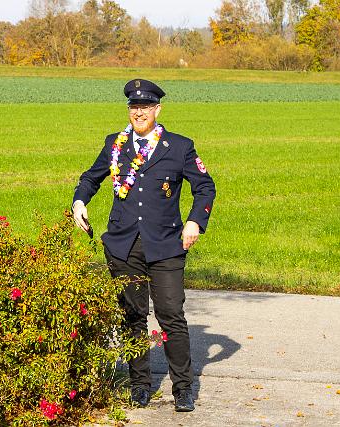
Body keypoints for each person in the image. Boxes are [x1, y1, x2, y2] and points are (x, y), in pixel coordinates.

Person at [72, 79, 216, 412]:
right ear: (129, 111)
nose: (139, 112)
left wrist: (195, 221)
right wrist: (80, 201)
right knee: (133, 316)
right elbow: (91, 178)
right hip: (123, 245)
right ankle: (140, 385)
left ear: (157, 110)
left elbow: (205, 188)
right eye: (134, 107)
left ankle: (182, 387)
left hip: (166, 244)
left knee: (170, 315)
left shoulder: (179, 147)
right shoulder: (115, 144)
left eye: (146, 107)